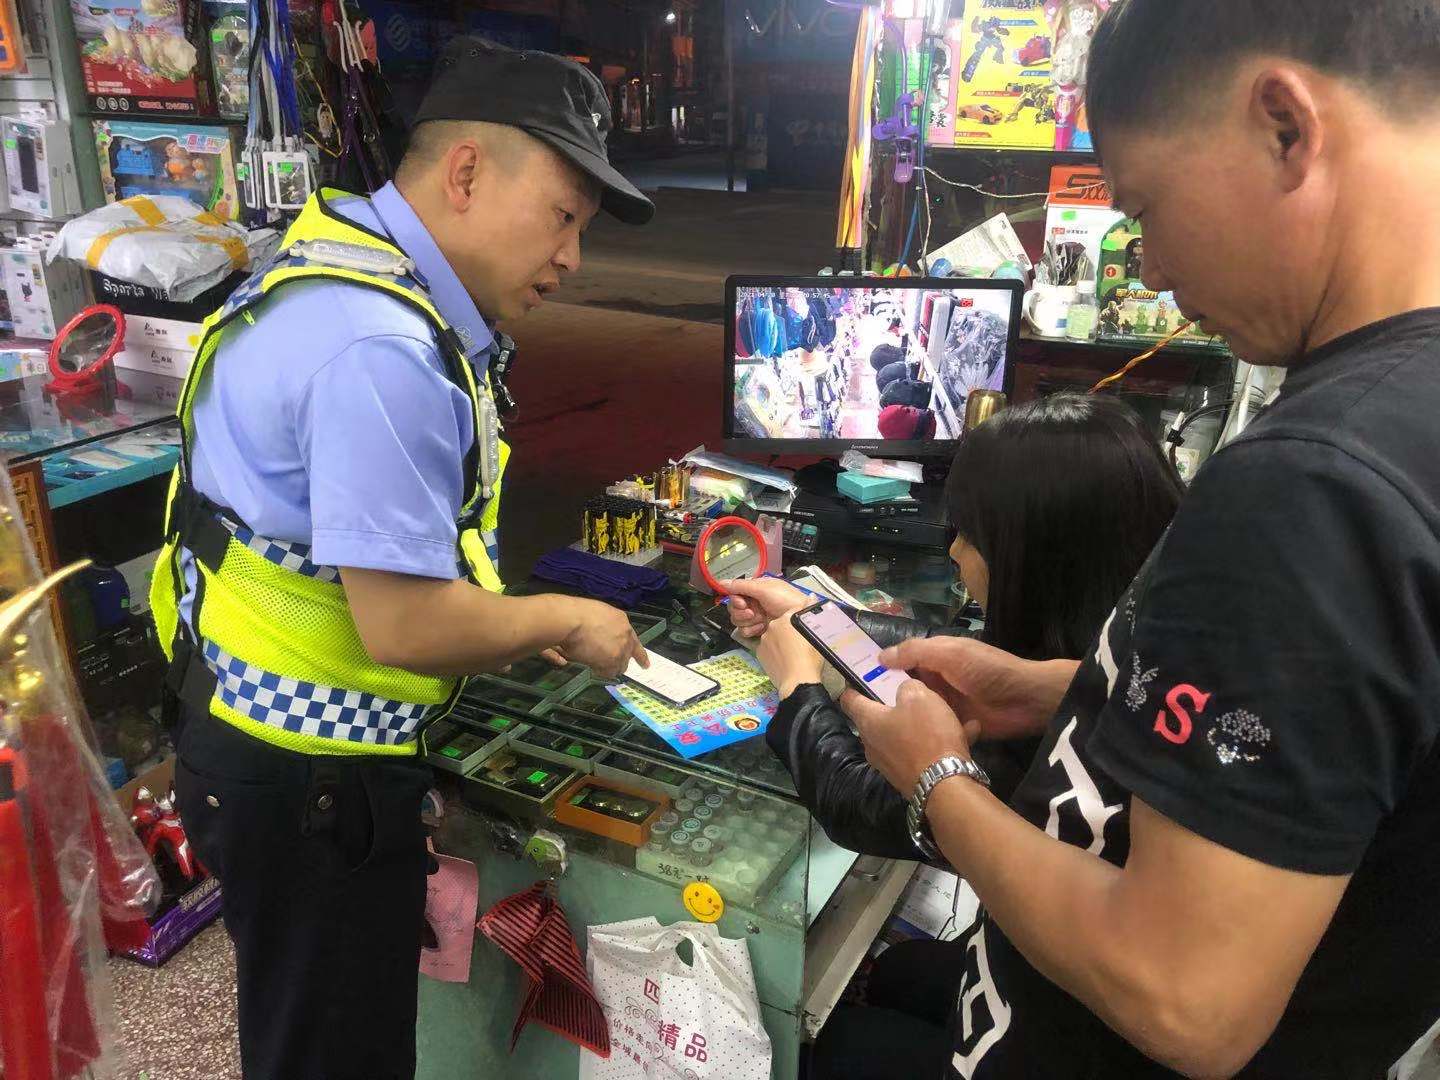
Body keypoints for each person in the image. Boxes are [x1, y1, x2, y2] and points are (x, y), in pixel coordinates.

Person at [761, 3, 1440, 1076]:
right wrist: (1064, 692)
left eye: (1147, 210)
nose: (1152, 268)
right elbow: (1329, 743)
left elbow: (1185, 997)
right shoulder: (1398, 425)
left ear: (1285, 126)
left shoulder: (1314, 484)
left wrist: (936, 778)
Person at [154, 40, 654, 1080]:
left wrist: (498, 623)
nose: (572, 258)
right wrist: (563, 618)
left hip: (251, 729)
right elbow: (405, 622)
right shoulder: (379, 348)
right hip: (307, 780)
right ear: (465, 173)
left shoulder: (342, 268)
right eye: (562, 217)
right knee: (335, 1052)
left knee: (307, 1029)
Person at [725, 394, 1183, 1076]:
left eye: (969, 535)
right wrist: (817, 619)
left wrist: (797, 687)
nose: (954, 551)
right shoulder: (1139, 658)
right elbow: (953, 659)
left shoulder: (1031, 750)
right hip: (1030, 982)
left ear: (1034, 557)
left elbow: (861, 804)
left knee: (841, 1046)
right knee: (906, 970)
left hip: (1058, 1044)